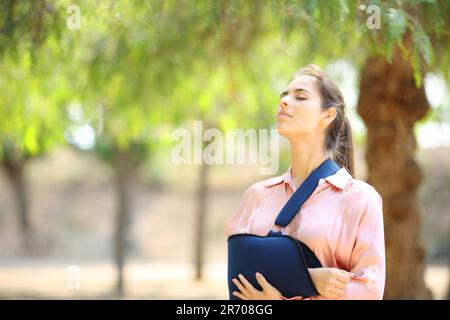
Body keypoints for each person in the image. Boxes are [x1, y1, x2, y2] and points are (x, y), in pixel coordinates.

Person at [224, 65, 385, 300]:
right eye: (284, 96)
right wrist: (310, 279)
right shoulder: (257, 195)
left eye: (300, 97)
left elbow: (367, 292)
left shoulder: (360, 198)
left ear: (328, 115)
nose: (285, 102)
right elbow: (238, 280)